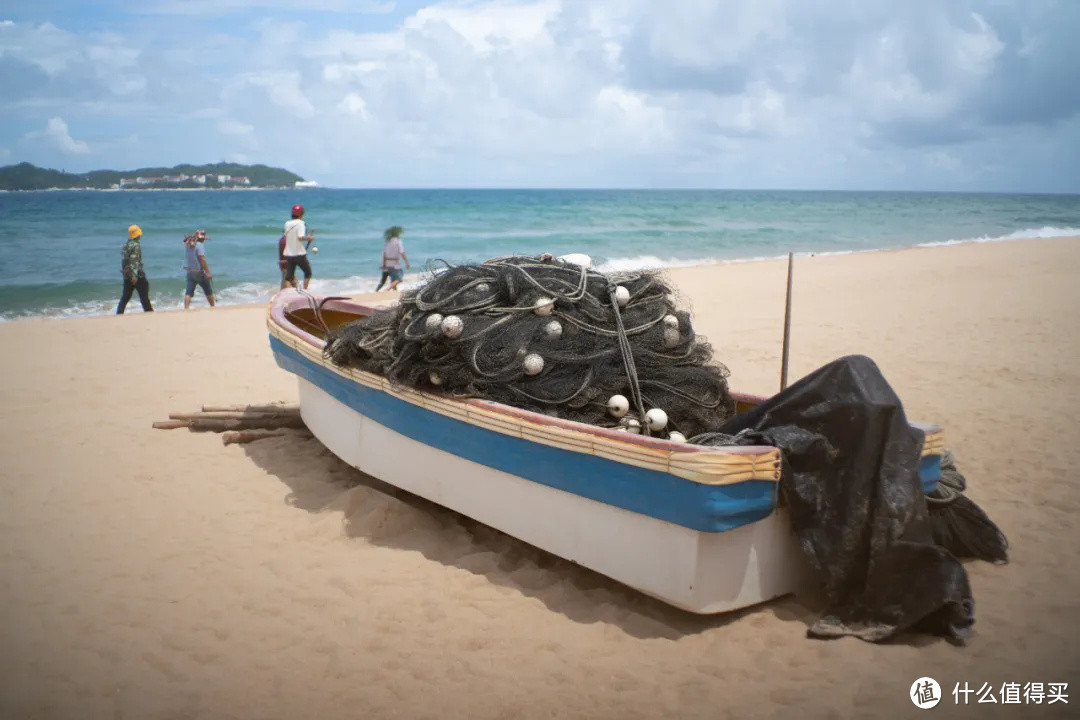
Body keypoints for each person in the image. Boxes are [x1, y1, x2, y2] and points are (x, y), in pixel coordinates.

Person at [117, 224, 154, 313]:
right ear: (137, 235)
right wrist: (134, 275)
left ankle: (119, 313)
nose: (140, 235)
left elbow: (124, 261)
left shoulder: (126, 245)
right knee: (144, 295)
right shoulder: (136, 245)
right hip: (137, 275)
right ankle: (149, 312)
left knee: (125, 297)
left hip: (127, 275)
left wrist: (127, 274)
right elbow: (134, 260)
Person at [282, 204, 315, 289]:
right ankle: (305, 290)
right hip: (299, 254)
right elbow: (300, 238)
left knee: (289, 276)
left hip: (289, 254)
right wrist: (309, 238)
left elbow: (285, 235)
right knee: (308, 273)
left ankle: (290, 292)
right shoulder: (301, 223)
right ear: (301, 214)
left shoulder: (287, 223)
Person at [183, 229, 216, 309]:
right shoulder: (199, 245)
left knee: (188, 293)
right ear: (202, 238)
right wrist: (208, 272)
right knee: (208, 291)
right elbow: (202, 259)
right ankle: (213, 307)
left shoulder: (189, 245)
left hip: (190, 271)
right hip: (199, 272)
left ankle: (186, 309)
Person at [377, 225, 410, 291]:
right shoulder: (398, 241)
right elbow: (402, 252)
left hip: (388, 263)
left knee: (393, 280)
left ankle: (395, 292)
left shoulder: (388, 241)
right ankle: (387, 289)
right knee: (399, 279)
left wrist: (384, 263)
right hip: (395, 264)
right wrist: (406, 262)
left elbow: (384, 253)